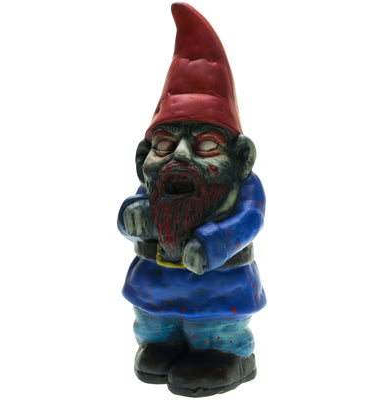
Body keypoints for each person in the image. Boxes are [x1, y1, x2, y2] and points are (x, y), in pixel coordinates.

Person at [118, 3, 266, 396]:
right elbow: (130, 217)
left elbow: (249, 221)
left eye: (205, 145)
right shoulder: (156, 184)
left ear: (241, 157)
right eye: (165, 145)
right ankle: (162, 346)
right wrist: (132, 216)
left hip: (220, 290)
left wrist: (214, 243)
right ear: (143, 158)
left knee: (214, 328)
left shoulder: (244, 187)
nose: (180, 156)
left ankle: (226, 355)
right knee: (153, 324)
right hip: (155, 285)